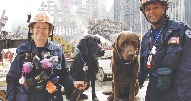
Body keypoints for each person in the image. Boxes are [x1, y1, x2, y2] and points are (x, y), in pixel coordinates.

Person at [6, 11, 87, 101]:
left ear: (49, 31)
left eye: (45, 28)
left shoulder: (57, 51)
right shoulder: (22, 50)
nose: (41, 31)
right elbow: (12, 79)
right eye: (37, 27)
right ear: (32, 30)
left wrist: (73, 83)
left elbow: (64, 76)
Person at [138, 0, 191, 101]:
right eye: (147, 9)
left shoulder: (180, 31)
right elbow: (141, 73)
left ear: (164, 7)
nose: (151, 12)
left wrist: (184, 97)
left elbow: (187, 69)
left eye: (155, 7)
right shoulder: (145, 39)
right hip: (154, 94)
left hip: (177, 93)